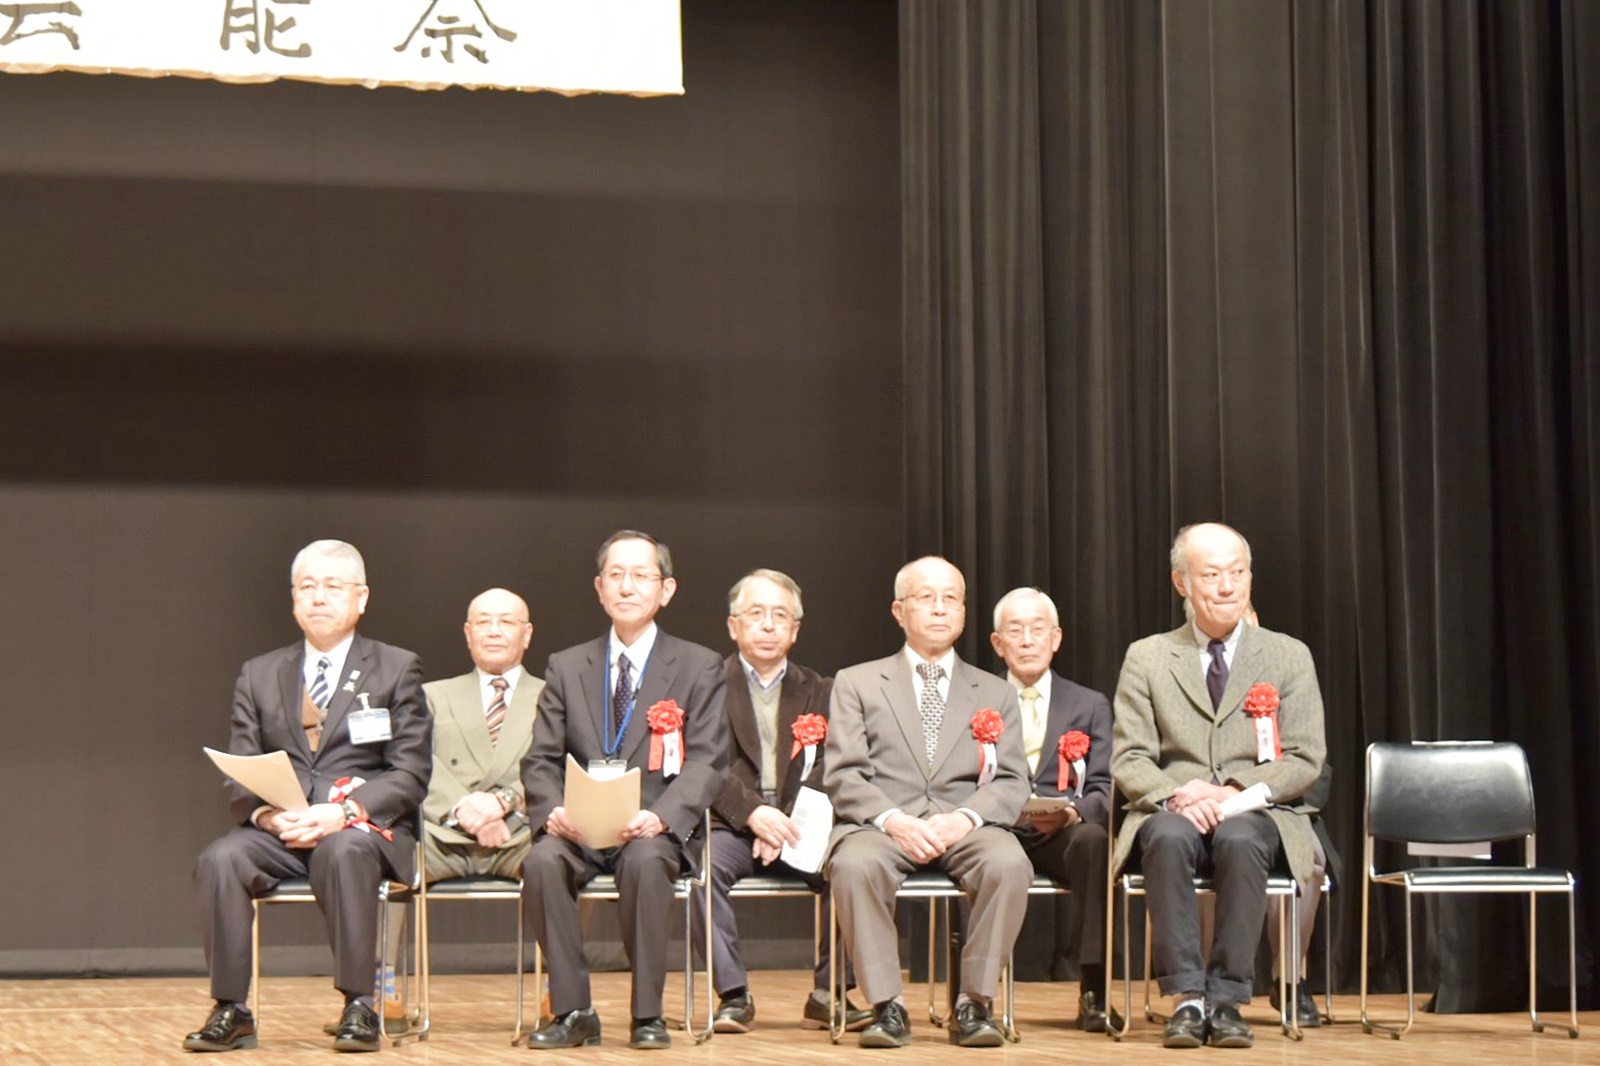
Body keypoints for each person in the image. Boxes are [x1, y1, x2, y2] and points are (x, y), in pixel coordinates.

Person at [186, 540, 431, 1053]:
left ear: (361, 598)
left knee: (344, 850)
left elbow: (410, 773)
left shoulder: (396, 668)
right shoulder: (259, 674)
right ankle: (231, 1008)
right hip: (283, 829)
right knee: (220, 859)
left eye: (333, 586)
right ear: (293, 598)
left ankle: (360, 1005)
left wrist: (341, 813)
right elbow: (240, 769)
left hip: (361, 830)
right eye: (307, 587)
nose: (319, 597)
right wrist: (268, 816)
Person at [1110, 523, 1326, 1049]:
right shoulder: (1147, 656)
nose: (1227, 586)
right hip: (1173, 808)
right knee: (1166, 836)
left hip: (1257, 811)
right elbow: (1130, 756)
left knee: (1241, 837)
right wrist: (1177, 796)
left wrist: (1232, 791)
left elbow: (1305, 757)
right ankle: (1187, 998)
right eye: (1211, 575)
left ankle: (1227, 1000)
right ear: (1181, 582)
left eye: (1238, 572)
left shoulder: (1289, 655)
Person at [520, 530, 728, 1050]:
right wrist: (552, 811)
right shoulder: (568, 666)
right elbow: (540, 759)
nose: (627, 587)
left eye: (640, 576)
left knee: (645, 862)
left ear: (666, 589)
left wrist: (662, 817)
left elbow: (708, 761)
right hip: (580, 827)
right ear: (599, 588)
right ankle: (573, 1010)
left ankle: (647, 1014)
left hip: (651, 827)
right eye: (616, 575)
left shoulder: (698, 665)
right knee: (542, 862)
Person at [824, 556, 1031, 1048]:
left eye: (950, 599)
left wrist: (966, 818)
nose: (939, 609)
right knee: (853, 864)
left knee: (1009, 863)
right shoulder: (857, 682)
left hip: (965, 826)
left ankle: (974, 1003)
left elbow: (1012, 779)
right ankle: (886, 1005)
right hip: (883, 826)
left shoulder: (996, 691)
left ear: (963, 611)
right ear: (899, 611)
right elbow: (844, 773)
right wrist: (894, 820)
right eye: (926, 598)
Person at [692, 568, 869, 1034]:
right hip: (732, 825)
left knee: (852, 865)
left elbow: (833, 764)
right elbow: (704, 764)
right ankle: (733, 995)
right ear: (733, 626)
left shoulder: (823, 690)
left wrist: (786, 822)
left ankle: (830, 993)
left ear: (795, 629)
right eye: (756, 614)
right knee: (701, 871)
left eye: (780, 616)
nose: (768, 625)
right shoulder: (705, 687)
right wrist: (754, 814)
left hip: (802, 826)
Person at [988, 587, 1115, 1031]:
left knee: (1095, 841)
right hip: (996, 829)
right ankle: (972, 995)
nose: (1027, 640)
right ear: (997, 643)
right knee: (970, 850)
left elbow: (1105, 786)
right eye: (1015, 631)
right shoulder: (978, 699)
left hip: (1061, 831)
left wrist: (1072, 812)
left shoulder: (1089, 704)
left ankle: (1095, 988)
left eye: (1037, 629)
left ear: (1055, 638)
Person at [421, 587, 543, 880]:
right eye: (483, 622)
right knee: (374, 853)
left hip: (522, 836)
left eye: (506, 622)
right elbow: (414, 763)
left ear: (527, 634)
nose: (494, 631)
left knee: (558, 859)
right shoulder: (432, 695)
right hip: (441, 836)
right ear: (468, 633)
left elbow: (560, 767)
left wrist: (503, 802)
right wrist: (467, 813)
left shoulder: (552, 696)